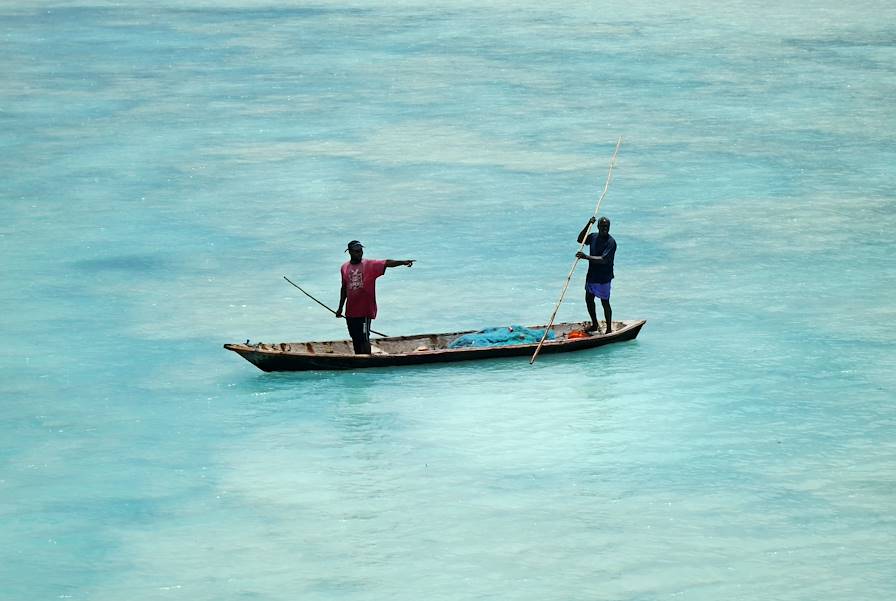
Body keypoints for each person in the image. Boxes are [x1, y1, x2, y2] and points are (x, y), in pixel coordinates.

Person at [335, 240, 415, 354]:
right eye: (356, 251)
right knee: (355, 338)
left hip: (364, 311)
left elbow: (387, 263)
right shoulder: (344, 268)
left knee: (364, 338)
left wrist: (402, 262)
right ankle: (359, 359)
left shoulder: (369, 265)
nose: (359, 253)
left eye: (361, 251)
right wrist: (340, 308)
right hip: (351, 311)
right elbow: (344, 288)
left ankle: (366, 361)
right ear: (350, 252)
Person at [575, 216, 616, 334]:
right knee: (589, 299)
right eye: (602, 226)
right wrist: (589, 223)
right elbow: (580, 239)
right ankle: (594, 324)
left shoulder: (611, 242)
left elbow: (604, 259)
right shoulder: (593, 237)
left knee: (605, 302)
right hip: (592, 275)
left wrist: (586, 257)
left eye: (606, 227)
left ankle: (608, 329)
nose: (605, 229)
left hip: (603, 277)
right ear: (598, 227)